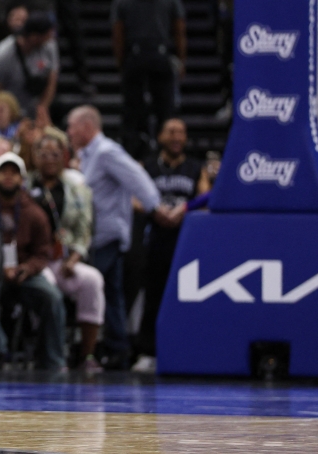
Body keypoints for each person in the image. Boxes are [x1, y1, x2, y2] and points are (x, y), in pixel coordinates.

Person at [66, 105, 167, 369]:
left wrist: (155, 208)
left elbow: (137, 177)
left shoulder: (106, 151)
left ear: (87, 127)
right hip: (95, 236)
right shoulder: (87, 154)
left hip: (106, 235)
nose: (69, 132)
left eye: (72, 127)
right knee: (111, 292)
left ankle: (97, 347)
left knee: (91, 288)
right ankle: (118, 347)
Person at [0, 152, 66, 370]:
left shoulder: (35, 213)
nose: (8, 177)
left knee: (52, 297)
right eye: (3, 172)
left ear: (21, 179)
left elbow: (43, 253)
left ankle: (52, 359)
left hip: (25, 273)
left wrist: (26, 268)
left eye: (13, 173)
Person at [133, 118, 210, 373]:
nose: (177, 137)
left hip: (185, 239)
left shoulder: (195, 167)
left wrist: (183, 212)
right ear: (161, 137)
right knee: (153, 295)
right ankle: (147, 351)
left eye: (181, 132)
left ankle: (186, 349)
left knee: (186, 295)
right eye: (172, 132)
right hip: (155, 237)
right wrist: (155, 211)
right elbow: (133, 198)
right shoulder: (148, 165)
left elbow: (205, 199)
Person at [29, 130, 105, 371]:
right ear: (35, 157)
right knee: (45, 288)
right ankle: (50, 352)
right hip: (36, 261)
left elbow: (85, 228)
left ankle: (87, 354)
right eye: (44, 154)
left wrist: (74, 259)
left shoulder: (76, 187)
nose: (50, 159)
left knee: (92, 280)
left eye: (55, 154)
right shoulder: (25, 185)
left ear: (63, 156)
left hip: (65, 259)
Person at [112, 0, 186, 158]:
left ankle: (135, 152)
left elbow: (118, 35)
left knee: (134, 112)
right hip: (159, 58)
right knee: (164, 110)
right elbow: (179, 31)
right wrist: (181, 60)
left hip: (137, 59)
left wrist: (121, 63)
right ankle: (162, 153)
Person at [0, 12, 59, 125]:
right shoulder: (4, 54)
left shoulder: (49, 46)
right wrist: (0, 117)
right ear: (34, 37)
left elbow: (52, 80)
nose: (50, 38)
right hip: (10, 111)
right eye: (47, 36)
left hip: (35, 106)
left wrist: (42, 109)